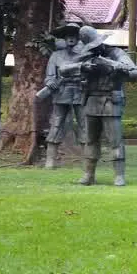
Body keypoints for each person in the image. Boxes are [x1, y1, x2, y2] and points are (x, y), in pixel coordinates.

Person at [63, 25, 137, 186]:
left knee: (115, 141)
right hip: (91, 101)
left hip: (111, 101)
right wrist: (82, 66)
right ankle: (88, 175)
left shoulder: (116, 53)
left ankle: (119, 175)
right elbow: (64, 68)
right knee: (90, 140)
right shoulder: (85, 56)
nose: (94, 49)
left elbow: (133, 72)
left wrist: (112, 66)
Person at [36, 22, 86, 169]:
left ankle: (86, 161)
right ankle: (50, 160)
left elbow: (89, 76)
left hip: (79, 93)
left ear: (78, 38)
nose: (71, 38)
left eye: (74, 36)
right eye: (68, 36)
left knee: (84, 125)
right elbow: (49, 76)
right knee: (56, 124)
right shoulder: (56, 56)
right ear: (64, 38)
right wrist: (51, 82)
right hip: (61, 93)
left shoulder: (84, 56)